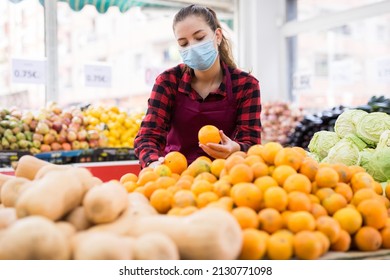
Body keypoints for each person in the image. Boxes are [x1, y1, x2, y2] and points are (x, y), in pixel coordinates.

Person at [134, 4, 261, 169]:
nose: (192, 47)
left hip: (225, 179)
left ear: (217, 36)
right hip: (175, 177)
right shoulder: (168, 82)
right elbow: (148, 136)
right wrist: (152, 163)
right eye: (183, 43)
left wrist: (236, 148)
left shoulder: (246, 86)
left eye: (199, 38)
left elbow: (251, 143)